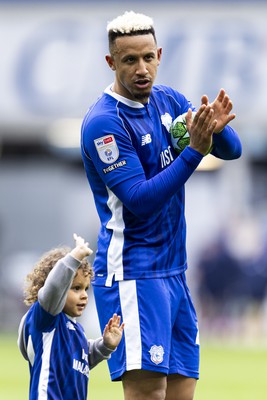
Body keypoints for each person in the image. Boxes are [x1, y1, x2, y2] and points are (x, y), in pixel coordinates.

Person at [80, 10, 242, 400]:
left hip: (174, 273)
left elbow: (233, 151)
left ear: (160, 55)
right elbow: (141, 201)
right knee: (149, 394)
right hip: (134, 274)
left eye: (148, 57)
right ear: (111, 62)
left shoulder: (168, 100)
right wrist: (195, 152)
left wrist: (216, 130)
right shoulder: (104, 124)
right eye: (130, 60)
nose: (142, 69)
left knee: (182, 393)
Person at [17, 233, 124, 400]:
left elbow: (83, 357)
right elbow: (54, 286)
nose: (84, 295)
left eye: (86, 289)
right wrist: (75, 257)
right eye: (76, 288)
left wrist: (105, 346)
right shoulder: (47, 319)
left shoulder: (76, 330)